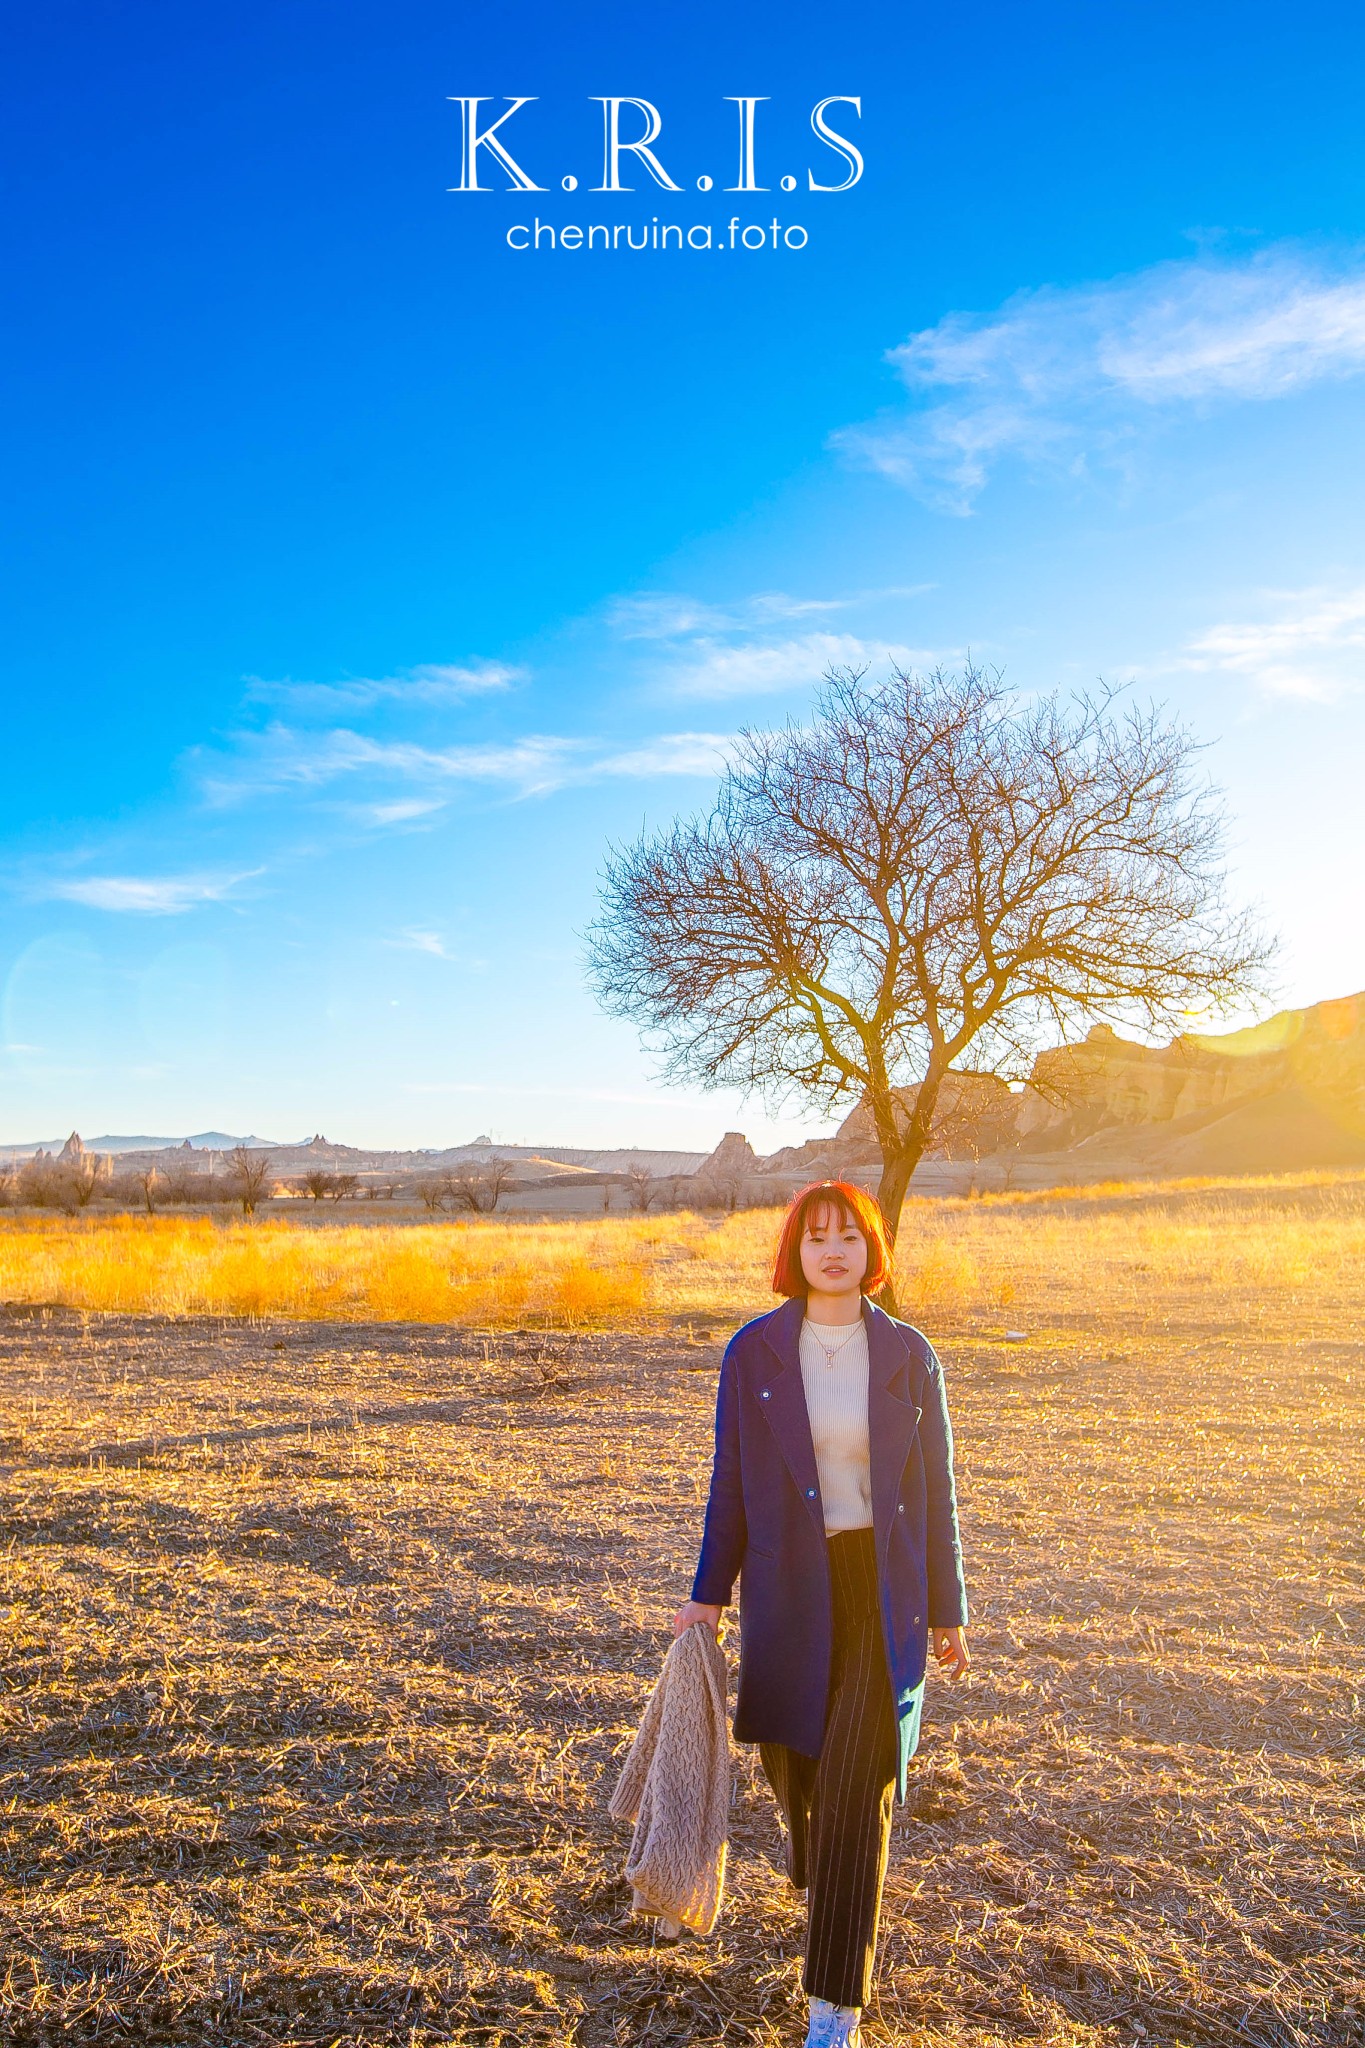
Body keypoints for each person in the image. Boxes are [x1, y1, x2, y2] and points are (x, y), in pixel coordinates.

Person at [673, 1180, 970, 2048]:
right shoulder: (754, 1351)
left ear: (871, 1249)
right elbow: (729, 1480)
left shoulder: (909, 1353)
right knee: (795, 1766)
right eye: (815, 1238)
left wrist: (948, 1605)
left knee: (859, 1783)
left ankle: (833, 2004)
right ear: (793, 1253)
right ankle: (821, 1863)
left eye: (848, 1236)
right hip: (791, 1586)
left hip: (885, 1587)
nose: (832, 1251)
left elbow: (936, 1487)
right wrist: (707, 1595)